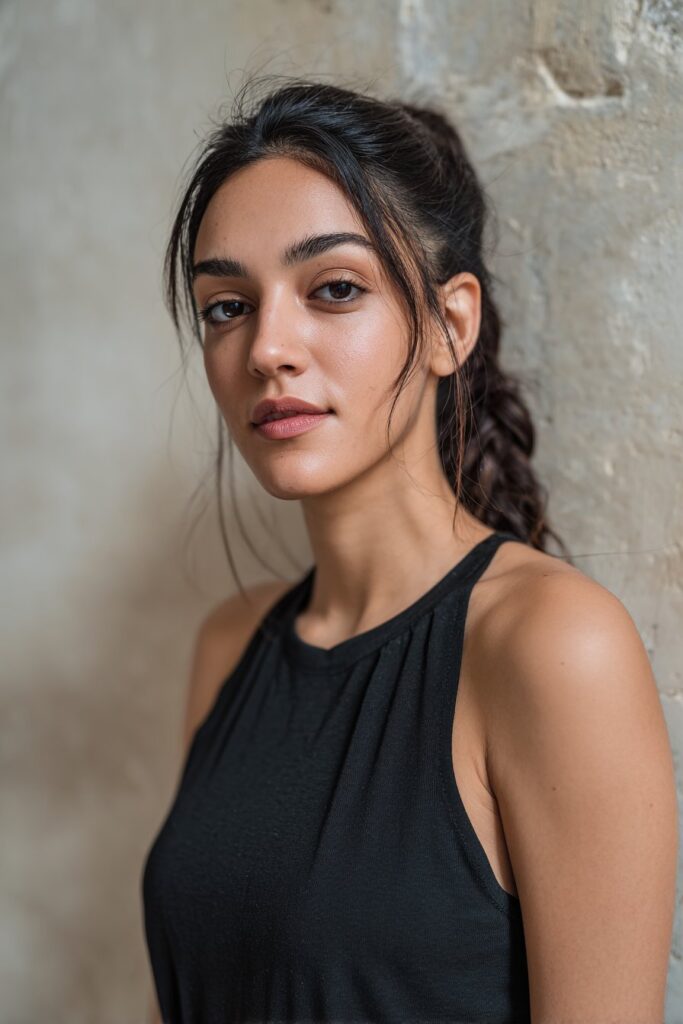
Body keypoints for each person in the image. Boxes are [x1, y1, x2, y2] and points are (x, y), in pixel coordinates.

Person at [140, 76, 678, 1024]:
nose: (269, 346)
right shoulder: (230, 646)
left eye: (334, 289)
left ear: (448, 324)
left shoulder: (551, 646)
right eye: (227, 305)